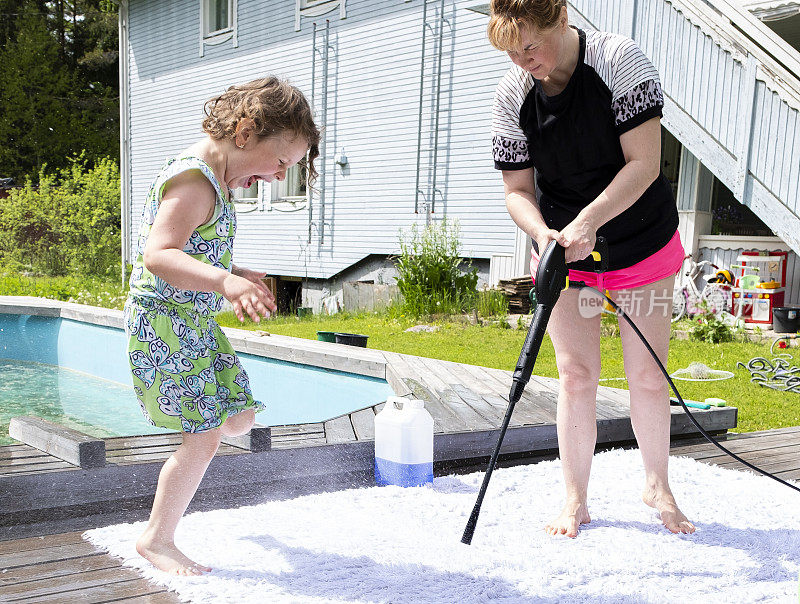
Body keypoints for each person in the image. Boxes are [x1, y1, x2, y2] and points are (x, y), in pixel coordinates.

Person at [488, 0, 695, 537]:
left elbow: (644, 164)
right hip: (567, 252)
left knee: (647, 377)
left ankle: (658, 485)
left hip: (640, 243)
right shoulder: (514, 94)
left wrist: (590, 220)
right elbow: (516, 190)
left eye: (529, 46)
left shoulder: (617, 60)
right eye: (511, 51)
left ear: (560, 18)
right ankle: (576, 500)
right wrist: (542, 233)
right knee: (576, 376)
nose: (522, 61)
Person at [124, 76, 320, 574]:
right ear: (243, 132)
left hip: (192, 319)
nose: (279, 177)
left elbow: (193, 246)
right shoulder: (193, 181)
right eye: (280, 162)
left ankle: (192, 456)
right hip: (164, 321)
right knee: (208, 433)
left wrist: (234, 273)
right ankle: (157, 538)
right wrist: (224, 283)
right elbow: (158, 255)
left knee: (239, 416)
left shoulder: (217, 181)